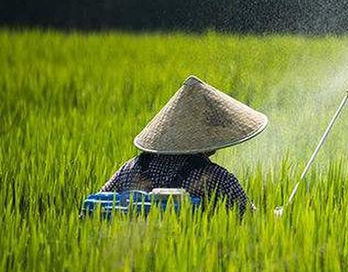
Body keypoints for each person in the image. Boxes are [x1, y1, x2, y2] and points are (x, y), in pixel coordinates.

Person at [100, 75, 268, 214]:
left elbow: (97, 204)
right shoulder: (216, 177)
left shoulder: (130, 168)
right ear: (205, 135)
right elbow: (252, 219)